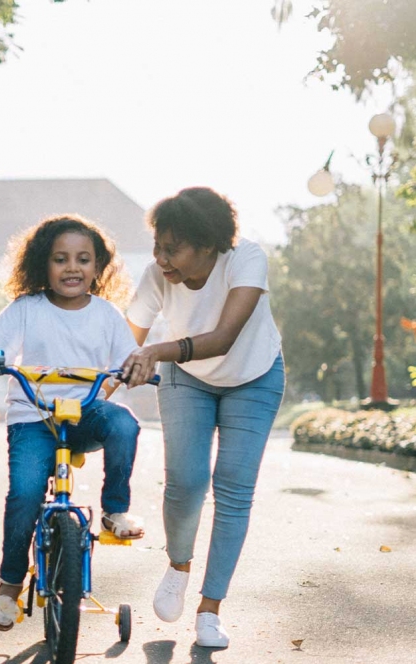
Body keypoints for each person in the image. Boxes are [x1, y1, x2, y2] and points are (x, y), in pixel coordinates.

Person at [0, 214, 144, 631]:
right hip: (33, 418)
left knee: (124, 424)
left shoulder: (107, 315)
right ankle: (8, 588)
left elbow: (126, 362)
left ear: (98, 267)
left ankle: (115, 511)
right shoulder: (26, 309)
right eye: (61, 259)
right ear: (44, 264)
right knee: (25, 494)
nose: (72, 267)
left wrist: (133, 371)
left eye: (83, 259)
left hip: (84, 415)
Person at [121, 187, 285, 649]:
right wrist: (99, 387)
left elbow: (225, 337)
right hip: (187, 379)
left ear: (209, 245)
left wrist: (154, 350)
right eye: (157, 245)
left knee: (233, 487)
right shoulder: (157, 276)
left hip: (254, 376)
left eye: (172, 248)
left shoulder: (245, 259)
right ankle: (178, 565)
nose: (161, 258)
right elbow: (123, 342)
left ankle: (210, 609)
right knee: (186, 481)